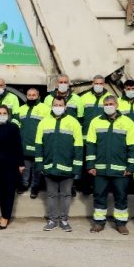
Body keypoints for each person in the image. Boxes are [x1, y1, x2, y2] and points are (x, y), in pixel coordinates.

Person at [87, 95, 134, 235]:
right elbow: (91, 145)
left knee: (121, 197)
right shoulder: (95, 122)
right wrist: (91, 165)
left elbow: (132, 146)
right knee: (99, 195)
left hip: (120, 170)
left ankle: (121, 224)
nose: (108, 106)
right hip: (100, 169)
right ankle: (98, 223)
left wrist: (131, 166)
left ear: (117, 105)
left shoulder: (128, 122)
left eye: (111, 103)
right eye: (106, 104)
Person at [35, 97, 83, 232]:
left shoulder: (73, 122)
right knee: (51, 195)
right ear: (51, 106)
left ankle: (64, 220)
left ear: (65, 106)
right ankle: (52, 220)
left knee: (66, 195)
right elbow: (39, 146)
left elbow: (78, 147)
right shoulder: (43, 122)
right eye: (55, 104)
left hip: (68, 168)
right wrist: (40, 166)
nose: (58, 107)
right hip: (49, 167)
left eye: (60, 105)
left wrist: (77, 168)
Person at [0, 105, 24, 229]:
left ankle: (5, 217)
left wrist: (21, 164)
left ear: (8, 114)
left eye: (4, 113)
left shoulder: (14, 127)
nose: (2, 115)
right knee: (1, 192)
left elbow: (18, 146)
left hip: (12, 164)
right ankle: (4, 215)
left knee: (9, 192)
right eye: (0, 113)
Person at [16, 87, 50, 199]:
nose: (31, 97)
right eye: (29, 95)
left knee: (37, 169)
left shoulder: (45, 109)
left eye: (33, 95)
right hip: (24, 144)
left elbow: (48, 127)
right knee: (25, 168)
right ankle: (24, 185)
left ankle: (35, 187)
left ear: (38, 96)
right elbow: (16, 126)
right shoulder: (21, 109)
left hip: (38, 144)